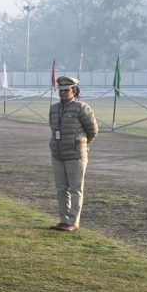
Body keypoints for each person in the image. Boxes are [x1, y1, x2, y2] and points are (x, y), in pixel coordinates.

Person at [49, 76, 99, 232]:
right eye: (61, 90)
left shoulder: (82, 108)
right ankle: (63, 220)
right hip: (58, 155)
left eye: (66, 90)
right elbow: (53, 128)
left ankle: (73, 222)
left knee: (76, 189)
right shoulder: (54, 109)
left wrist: (80, 144)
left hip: (76, 156)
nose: (63, 93)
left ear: (74, 91)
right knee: (61, 188)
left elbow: (93, 131)